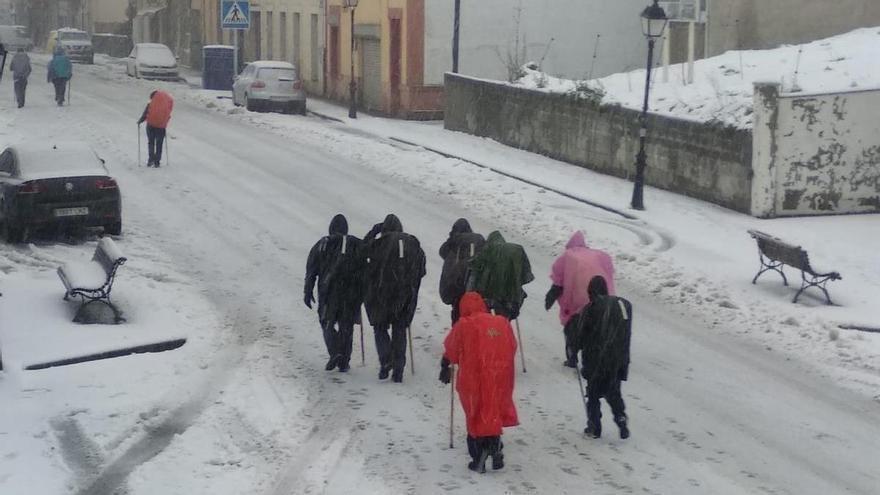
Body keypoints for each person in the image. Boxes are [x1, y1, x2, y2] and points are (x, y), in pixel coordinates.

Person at [439, 292, 518, 473]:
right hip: (500, 373)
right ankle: (494, 444)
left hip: (474, 375)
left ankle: (478, 453)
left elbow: (452, 348)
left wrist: (445, 365)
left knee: (476, 410)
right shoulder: (501, 322)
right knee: (493, 408)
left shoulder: (464, 325)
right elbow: (512, 346)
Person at [362, 214, 426, 383]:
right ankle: (398, 369)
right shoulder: (413, 243)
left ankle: (386, 359)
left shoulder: (381, 242)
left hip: (382, 293)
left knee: (380, 326)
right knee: (399, 329)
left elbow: (363, 251)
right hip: (405, 294)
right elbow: (422, 270)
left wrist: (373, 232)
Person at [545, 231, 615, 368]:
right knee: (596, 327)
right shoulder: (600, 255)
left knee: (573, 328)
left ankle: (572, 357)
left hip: (577, 298)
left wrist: (550, 298)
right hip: (602, 296)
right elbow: (610, 272)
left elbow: (557, 283)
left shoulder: (568, 256)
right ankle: (596, 357)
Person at [304, 214, 364, 372]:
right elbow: (365, 266)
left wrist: (308, 290)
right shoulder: (355, 244)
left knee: (327, 322)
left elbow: (312, 270)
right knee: (347, 325)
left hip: (328, 291)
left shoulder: (322, 244)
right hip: (351, 292)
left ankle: (335, 350)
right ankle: (344, 359)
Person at [574, 276, 632, 440]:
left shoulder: (590, 308)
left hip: (596, 359)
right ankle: (620, 417)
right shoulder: (621, 306)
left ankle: (594, 426)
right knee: (613, 391)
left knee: (593, 394)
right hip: (617, 358)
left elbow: (580, 335)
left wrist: (574, 350)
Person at [467, 231, 534, 320]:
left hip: (490, 298)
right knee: (502, 323)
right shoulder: (511, 253)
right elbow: (524, 277)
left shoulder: (488, 250)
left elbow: (474, 269)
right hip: (509, 299)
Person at [438, 218, 485, 324]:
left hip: (458, 286)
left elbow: (442, 252)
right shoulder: (480, 240)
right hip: (476, 287)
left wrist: (451, 237)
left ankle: (459, 335)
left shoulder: (455, 241)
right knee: (476, 316)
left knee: (458, 315)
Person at [137, 90, 174, 167]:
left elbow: (146, 112)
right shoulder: (167, 103)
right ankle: (157, 162)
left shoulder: (151, 103)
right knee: (159, 144)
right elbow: (168, 114)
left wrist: (140, 121)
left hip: (150, 124)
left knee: (151, 142)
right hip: (161, 126)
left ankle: (151, 160)